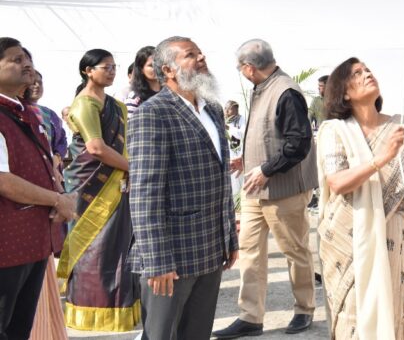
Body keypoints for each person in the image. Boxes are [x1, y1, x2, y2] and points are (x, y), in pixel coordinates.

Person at [317, 57, 404, 339]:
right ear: (344, 93)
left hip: (398, 236)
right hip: (350, 238)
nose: (367, 74)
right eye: (356, 73)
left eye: (368, 70)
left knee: (399, 314)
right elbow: (337, 182)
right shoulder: (335, 131)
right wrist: (382, 158)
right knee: (355, 317)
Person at [128, 36, 238, 340]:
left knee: (197, 333)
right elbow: (145, 194)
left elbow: (220, 180)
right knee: (162, 335)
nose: (201, 58)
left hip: (209, 249)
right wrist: (157, 260)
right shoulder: (153, 113)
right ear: (168, 70)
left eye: (200, 53)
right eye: (190, 55)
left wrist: (229, 236)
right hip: (171, 257)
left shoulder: (212, 109)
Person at [215, 39, 318, 338]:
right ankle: (250, 316)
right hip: (255, 189)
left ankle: (304, 309)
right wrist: (247, 161)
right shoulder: (262, 87)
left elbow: (298, 143)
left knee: (295, 251)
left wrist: (265, 170)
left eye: (240, 68)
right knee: (249, 251)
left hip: (284, 190)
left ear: (249, 68)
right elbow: (268, 135)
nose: (241, 72)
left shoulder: (286, 91)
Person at [58, 49, 141, 332]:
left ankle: (120, 309)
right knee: (93, 246)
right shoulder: (85, 103)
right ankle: (89, 309)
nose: (112, 71)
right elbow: (95, 148)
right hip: (90, 182)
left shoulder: (115, 105)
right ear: (88, 71)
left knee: (118, 243)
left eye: (114, 66)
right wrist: (134, 168)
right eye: (106, 67)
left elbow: (123, 143)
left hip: (117, 179)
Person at [0, 38, 75, 340]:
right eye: (16, 60)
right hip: (7, 243)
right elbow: (3, 180)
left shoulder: (27, 113)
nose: (27, 65)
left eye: (27, 58)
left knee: (18, 328)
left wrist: (61, 194)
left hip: (32, 240)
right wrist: (57, 199)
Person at [26, 70, 68, 164]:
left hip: (52, 167)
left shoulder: (50, 114)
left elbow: (62, 139)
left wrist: (57, 157)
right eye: (33, 83)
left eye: (40, 83)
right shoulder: (16, 110)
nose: (37, 85)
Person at [122, 46, 161, 118]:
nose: (156, 68)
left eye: (159, 64)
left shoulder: (170, 92)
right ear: (141, 69)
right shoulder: (134, 97)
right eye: (151, 65)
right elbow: (130, 122)